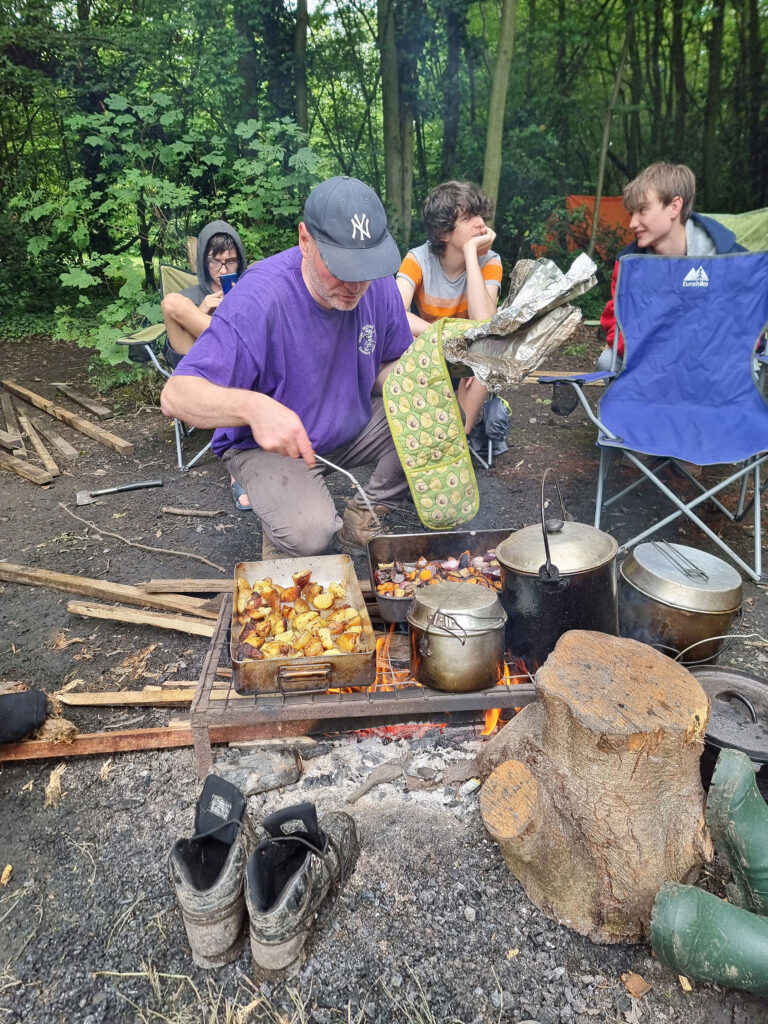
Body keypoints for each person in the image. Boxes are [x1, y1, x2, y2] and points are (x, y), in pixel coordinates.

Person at [159, 176, 413, 558]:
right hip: (269, 448)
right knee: (311, 533)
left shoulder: (377, 285)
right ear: (305, 240)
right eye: (342, 267)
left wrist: (420, 377)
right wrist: (255, 408)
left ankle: (363, 517)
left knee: (434, 413)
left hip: (349, 427)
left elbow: (386, 366)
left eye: (366, 266)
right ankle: (285, 531)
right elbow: (176, 395)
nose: (356, 283)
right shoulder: (259, 299)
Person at [598, 162, 744, 370]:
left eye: (642, 210)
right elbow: (615, 325)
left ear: (674, 207)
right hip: (651, 360)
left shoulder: (729, 258)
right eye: (632, 213)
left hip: (713, 363)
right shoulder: (628, 265)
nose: (632, 223)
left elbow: (748, 321)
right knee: (607, 362)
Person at [396, 181, 503, 434]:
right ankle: (420, 429)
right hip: (430, 349)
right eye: (468, 218)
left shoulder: (490, 261)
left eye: (480, 215)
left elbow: (484, 322)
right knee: (403, 341)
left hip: (469, 356)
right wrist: (446, 338)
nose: (480, 223)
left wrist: (471, 254)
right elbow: (395, 314)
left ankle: (457, 437)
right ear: (444, 233)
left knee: (488, 351)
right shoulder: (417, 259)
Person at [160, 220, 250, 509]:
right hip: (198, 369)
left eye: (230, 261)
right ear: (203, 261)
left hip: (238, 369)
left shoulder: (250, 289)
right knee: (172, 302)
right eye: (215, 262)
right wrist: (201, 312)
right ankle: (227, 336)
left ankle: (239, 472)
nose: (223, 270)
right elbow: (179, 354)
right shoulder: (190, 298)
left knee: (240, 374)